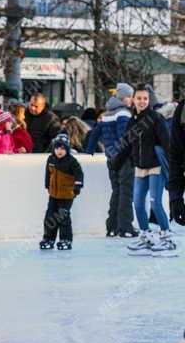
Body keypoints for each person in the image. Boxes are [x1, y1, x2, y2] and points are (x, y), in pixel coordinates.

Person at [113, 86, 176, 256]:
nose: (142, 101)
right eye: (139, 98)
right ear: (133, 100)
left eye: (145, 99)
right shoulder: (132, 121)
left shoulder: (156, 118)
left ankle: (167, 238)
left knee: (155, 202)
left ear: (149, 101)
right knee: (138, 203)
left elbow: (167, 144)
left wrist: (175, 167)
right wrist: (115, 165)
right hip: (140, 167)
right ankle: (146, 236)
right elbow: (126, 146)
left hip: (155, 166)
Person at [85, 95, 135, 237]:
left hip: (110, 157)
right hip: (123, 158)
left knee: (117, 191)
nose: (130, 99)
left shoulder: (107, 114)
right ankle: (125, 227)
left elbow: (95, 132)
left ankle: (112, 226)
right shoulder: (123, 113)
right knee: (126, 192)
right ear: (122, 98)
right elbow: (124, 136)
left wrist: (90, 149)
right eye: (129, 96)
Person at [39, 135, 83, 251]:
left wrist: (77, 186)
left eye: (63, 148)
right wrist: (47, 185)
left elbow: (79, 174)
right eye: (57, 148)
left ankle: (66, 239)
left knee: (63, 217)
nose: (59, 151)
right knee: (50, 217)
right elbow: (48, 174)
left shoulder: (72, 161)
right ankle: (49, 239)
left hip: (67, 194)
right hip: (53, 194)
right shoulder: (51, 159)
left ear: (67, 149)